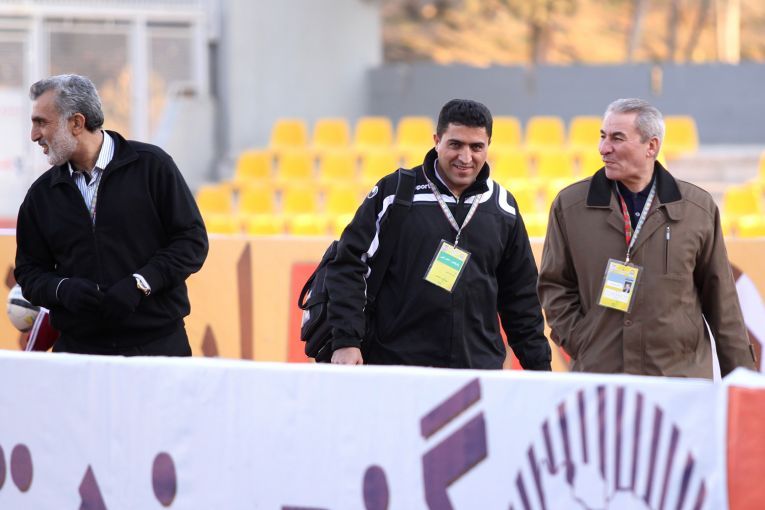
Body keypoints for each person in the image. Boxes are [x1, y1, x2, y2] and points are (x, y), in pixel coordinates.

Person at [326, 99, 551, 369]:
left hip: (477, 371)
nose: (465, 158)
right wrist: (346, 341)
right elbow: (348, 265)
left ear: (488, 145)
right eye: (455, 144)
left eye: (476, 147)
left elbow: (521, 299)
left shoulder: (503, 206)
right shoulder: (395, 193)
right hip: (398, 367)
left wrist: (540, 368)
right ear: (437, 141)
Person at [538, 98, 756, 378]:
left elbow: (722, 302)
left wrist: (742, 378)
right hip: (602, 378)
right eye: (603, 136)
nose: (604, 148)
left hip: (679, 382)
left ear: (651, 146)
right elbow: (554, 286)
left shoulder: (697, 209)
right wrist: (582, 340)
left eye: (617, 138)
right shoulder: (570, 206)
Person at [14, 74, 208, 356]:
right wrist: (62, 289)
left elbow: (191, 242)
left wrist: (141, 283)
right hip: (78, 353)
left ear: (76, 123)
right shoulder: (40, 196)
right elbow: (29, 272)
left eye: (41, 122)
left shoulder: (153, 166)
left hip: (160, 348)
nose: (34, 135)